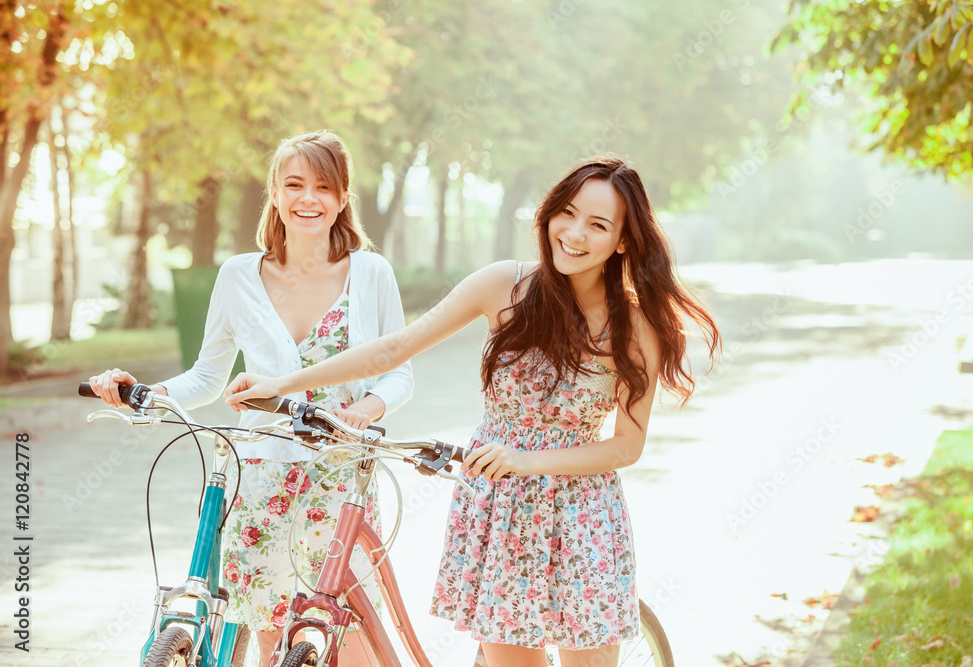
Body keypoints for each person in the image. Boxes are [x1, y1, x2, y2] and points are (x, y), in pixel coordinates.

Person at [223, 155, 720, 667]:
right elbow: (396, 348)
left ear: (622, 240)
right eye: (566, 214)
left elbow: (625, 446)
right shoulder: (504, 285)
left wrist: (526, 461)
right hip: (498, 509)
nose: (573, 233)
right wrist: (284, 383)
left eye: (597, 225)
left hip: (582, 516)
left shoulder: (634, 329)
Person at [88, 130, 414, 666]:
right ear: (276, 194)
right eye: (295, 184)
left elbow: (399, 376)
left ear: (342, 198)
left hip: (342, 479)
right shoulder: (238, 275)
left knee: (347, 635)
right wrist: (143, 393)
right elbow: (208, 376)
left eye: (324, 187)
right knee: (272, 636)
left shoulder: (371, 273)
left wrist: (362, 413)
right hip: (260, 476)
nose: (308, 198)